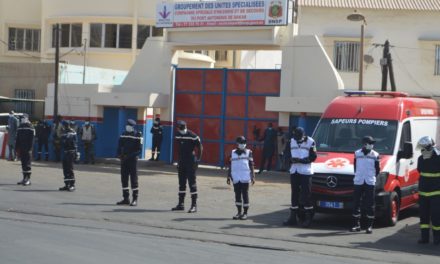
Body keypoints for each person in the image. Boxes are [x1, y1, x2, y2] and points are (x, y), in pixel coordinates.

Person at [283, 127, 317, 228]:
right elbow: (286, 153)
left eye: (298, 136)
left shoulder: (311, 141)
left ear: (303, 135)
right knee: (294, 194)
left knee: (306, 194)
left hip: (306, 172)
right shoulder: (291, 141)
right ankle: (293, 217)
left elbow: (313, 157)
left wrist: (301, 160)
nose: (296, 138)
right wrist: (290, 160)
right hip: (294, 171)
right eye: (295, 136)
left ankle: (308, 218)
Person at [350, 136, 380, 234]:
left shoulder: (375, 155)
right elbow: (355, 167)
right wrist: (358, 175)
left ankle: (369, 226)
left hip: (370, 181)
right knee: (356, 203)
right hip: (358, 181)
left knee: (370, 204)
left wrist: (371, 177)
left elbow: (377, 170)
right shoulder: (357, 153)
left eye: (372, 143)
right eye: (370, 143)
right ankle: (356, 225)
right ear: (364, 144)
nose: (372, 145)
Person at [172, 120, 203, 213]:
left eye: (181, 128)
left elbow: (200, 147)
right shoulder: (177, 135)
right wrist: (178, 161)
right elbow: (179, 149)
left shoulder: (193, 136)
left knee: (192, 184)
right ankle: (181, 204)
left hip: (190, 162)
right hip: (182, 162)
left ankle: (194, 205)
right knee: (181, 183)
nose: (179, 130)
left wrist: (198, 160)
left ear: (184, 128)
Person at [416, 136, 440, 245]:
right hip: (423, 193)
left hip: (436, 193)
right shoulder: (421, 159)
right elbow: (420, 171)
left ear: (429, 147)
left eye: (423, 147)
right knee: (423, 217)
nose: (422, 150)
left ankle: (437, 239)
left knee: (436, 217)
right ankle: (424, 238)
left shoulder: (438, 158)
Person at [227, 136, 255, 220]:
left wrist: (253, 176)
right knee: (237, 194)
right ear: (237, 143)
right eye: (241, 143)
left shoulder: (248, 152)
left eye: (244, 143)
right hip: (235, 177)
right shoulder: (232, 152)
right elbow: (230, 165)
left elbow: (251, 164)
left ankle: (245, 213)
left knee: (245, 194)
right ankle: (239, 212)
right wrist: (228, 176)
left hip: (245, 176)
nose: (243, 144)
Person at [116, 119, 143, 206]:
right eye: (127, 125)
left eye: (129, 126)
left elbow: (139, 150)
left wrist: (129, 156)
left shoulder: (138, 135)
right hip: (124, 160)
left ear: (132, 127)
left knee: (134, 180)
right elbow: (119, 145)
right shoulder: (123, 134)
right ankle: (125, 198)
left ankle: (135, 199)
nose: (127, 127)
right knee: (124, 179)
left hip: (132, 160)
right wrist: (119, 155)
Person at [15, 114, 35, 186]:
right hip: (21, 148)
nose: (22, 119)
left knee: (27, 164)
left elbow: (32, 139)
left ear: (27, 118)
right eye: (22, 118)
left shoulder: (30, 127)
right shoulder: (20, 126)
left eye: (23, 118)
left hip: (28, 148)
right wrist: (16, 148)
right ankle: (24, 178)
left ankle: (28, 179)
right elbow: (17, 138)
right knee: (23, 164)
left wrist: (30, 149)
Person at [59, 120, 78, 192]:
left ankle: (72, 185)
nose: (62, 126)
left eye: (63, 125)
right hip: (65, 152)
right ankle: (67, 184)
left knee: (70, 169)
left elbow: (73, 142)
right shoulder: (64, 132)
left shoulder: (72, 132)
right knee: (65, 169)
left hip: (71, 152)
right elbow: (62, 141)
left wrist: (75, 153)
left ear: (66, 125)